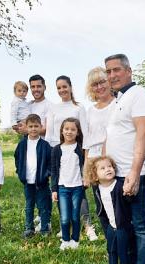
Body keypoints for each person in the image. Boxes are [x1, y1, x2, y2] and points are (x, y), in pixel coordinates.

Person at [104, 54, 145, 264]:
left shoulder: (140, 96)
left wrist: (135, 172)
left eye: (116, 70)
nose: (111, 75)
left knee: (140, 224)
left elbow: (143, 133)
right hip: (117, 174)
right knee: (125, 226)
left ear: (129, 70)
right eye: (108, 71)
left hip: (134, 173)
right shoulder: (118, 100)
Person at [45, 75, 98, 242]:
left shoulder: (79, 107)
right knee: (62, 188)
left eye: (64, 87)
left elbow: (85, 133)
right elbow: (50, 132)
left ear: (70, 87)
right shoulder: (53, 108)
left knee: (78, 191)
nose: (62, 90)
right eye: (59, 88)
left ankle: (88, 226)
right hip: (58, 151)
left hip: (76, 150)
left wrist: (85, 159)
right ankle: (64, 226)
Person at [86, 156, 132, 264]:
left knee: (123, 252)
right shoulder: (99, 188)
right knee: (111, 249)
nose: (108, 169)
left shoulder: (118, 185)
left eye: (110, 167)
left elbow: (128, 202)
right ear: (95, 176)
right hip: (111, 226)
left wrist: (128, 194)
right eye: (103, 168)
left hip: (122, 226)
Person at [83, 67, 115, 236]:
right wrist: (86, 171)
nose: (99, 87)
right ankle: (111, 240)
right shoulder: (90, 111)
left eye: (102, 81)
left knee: (116, 206)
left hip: (113, 161)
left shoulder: (118, 104)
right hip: (95, 163)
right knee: (101, 205)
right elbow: (87, 143)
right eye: (95, 84)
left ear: (109, 81)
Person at [14, 114, 52, 239]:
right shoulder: (22, 144)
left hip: (41, 181)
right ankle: (29, 228)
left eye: (36, 126)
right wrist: (20, 173)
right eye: (30, 126)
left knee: (43, 206)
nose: (34, 129)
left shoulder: (45, 145)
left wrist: (46, 174)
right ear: (26, 127)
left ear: (41, 127)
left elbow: (50, 162)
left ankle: (45, 228)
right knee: (29, 205)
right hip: (27, 181)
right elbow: (17, 159)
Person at [51, 118, 85, 250]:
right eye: (66, 129)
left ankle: (75, 240)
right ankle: (65, 240)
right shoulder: (56, 150)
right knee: (65, 217)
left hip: (77, 187)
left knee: (75, 216)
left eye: (73, 129)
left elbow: (85, 165)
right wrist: (54, 190)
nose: (69, 132)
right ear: (62, 131)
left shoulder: (81, 148)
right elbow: (54, 171)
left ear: (77, 132)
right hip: (62, 188)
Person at [26, 74, 54, 232]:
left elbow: (47, 128)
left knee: (44, 185)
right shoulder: (28, 105)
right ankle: (40, 214)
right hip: (30, 148)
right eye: (33, 87)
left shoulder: (49, 106)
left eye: (39, 86)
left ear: (44, 87)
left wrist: (27, 128)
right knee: (32, 183)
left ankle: (47, 218)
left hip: (44, 149)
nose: (36, 89)